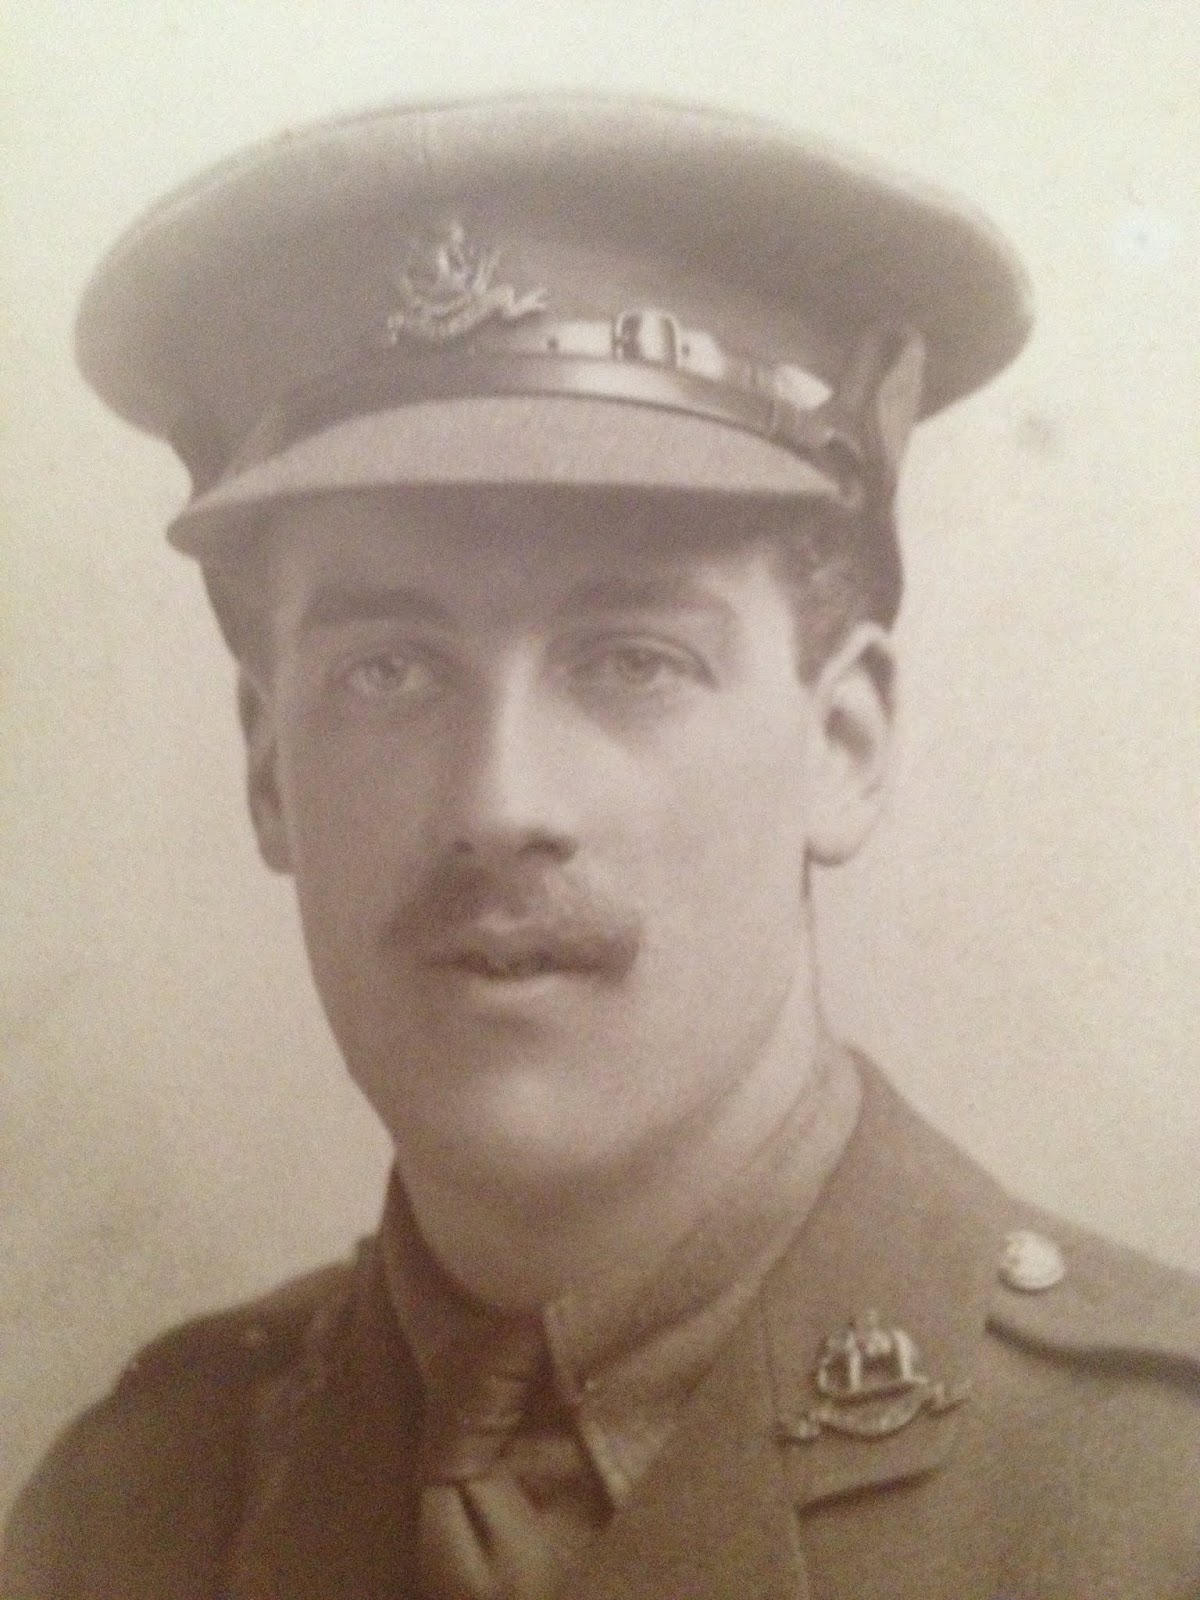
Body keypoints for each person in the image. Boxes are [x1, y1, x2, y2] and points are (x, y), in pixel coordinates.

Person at [3, 93, 1197, 1600]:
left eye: (632, 659)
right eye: (389, 672)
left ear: (843, 745)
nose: (500, 803)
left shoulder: (1156, 1512)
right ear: (268, 768)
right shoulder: (125, 1519)